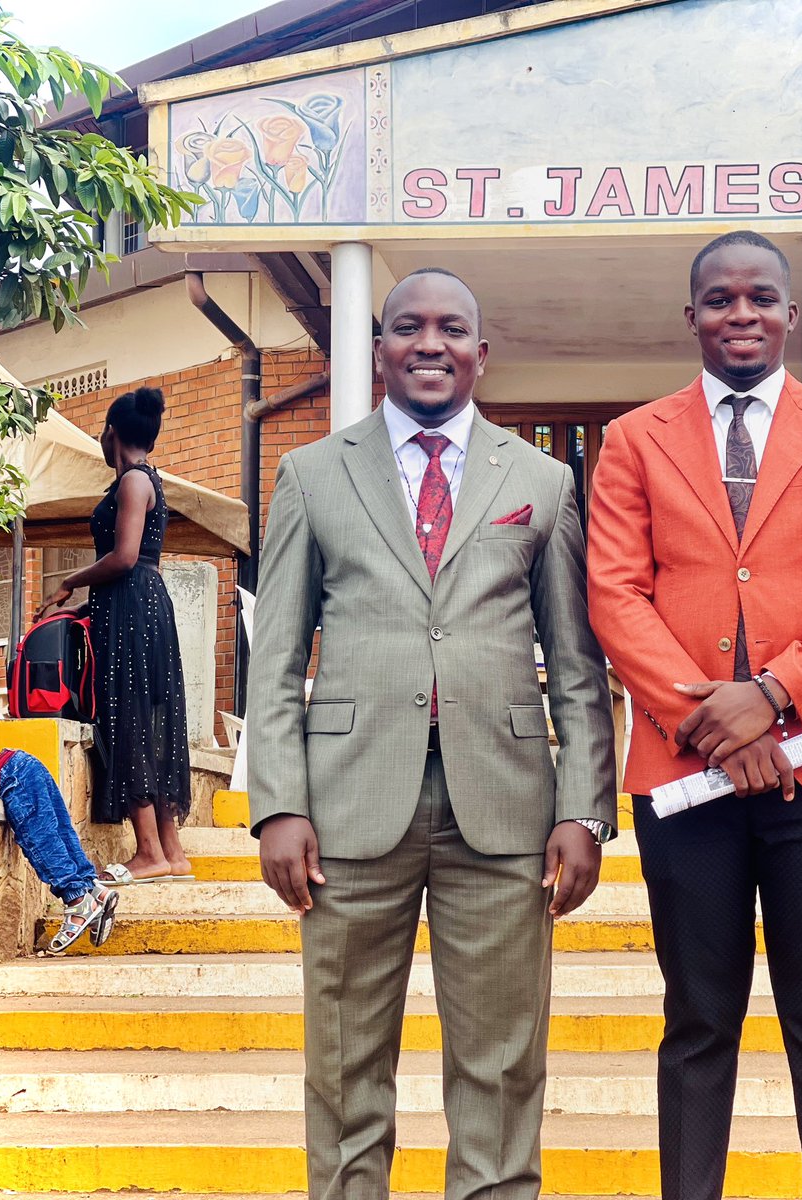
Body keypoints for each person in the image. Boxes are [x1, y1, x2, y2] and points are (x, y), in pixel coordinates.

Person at [246, 267, 616, 1200]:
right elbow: (277, 655)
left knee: (499, 1072)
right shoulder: (311, 473)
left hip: (504, 814)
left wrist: (585, 810)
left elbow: (576, 667)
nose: (429, 343)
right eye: (407, 327)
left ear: (481, 355)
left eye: (452, 329)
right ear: (379, 352)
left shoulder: (543, 481)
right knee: (342, 1073)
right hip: (346, 813)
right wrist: (277, 803)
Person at [587, 231, 802, 1200]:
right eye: (719, 301)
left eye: (760, 299)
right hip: (685, 782)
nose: (741, 315)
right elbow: (615, 596)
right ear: (690, 317)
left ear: (790, 315)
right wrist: (713, 723)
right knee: (696, 1020)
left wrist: (770, 698)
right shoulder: (634, 439)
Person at [36, 387, 192, 885]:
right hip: (137, 603)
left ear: (111, 433)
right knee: (148, 718)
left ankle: (148, 851)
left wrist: (68, 580)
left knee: (129, 718)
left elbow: (124, 557)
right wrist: (85, 604)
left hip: (132, 608)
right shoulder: (150, 482)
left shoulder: (132, 485)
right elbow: (136, 565)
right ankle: (172, 851)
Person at [0, 740, 119, 953]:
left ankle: (77, 901)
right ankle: (92, 889)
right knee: (60, 832)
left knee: (39, 839)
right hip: (22, 763)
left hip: (10, 775)